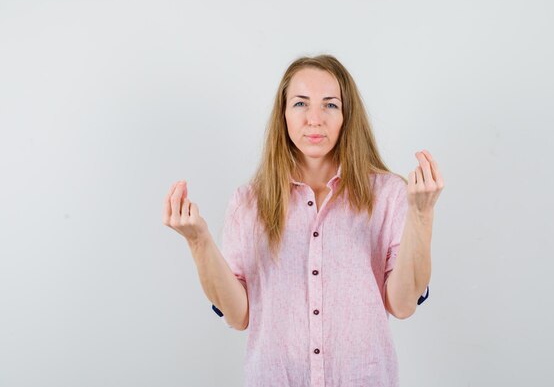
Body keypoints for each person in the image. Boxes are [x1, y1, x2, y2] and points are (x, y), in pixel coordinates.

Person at [162, 54, 444, 387]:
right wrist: (198, 240)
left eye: (330, 105)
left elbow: (403, 304)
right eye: (300, 104)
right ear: (282, 115)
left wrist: (422, 215)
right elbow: (238, 316)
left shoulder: (390, 195)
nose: (314, 119)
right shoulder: (247, 203)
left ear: (347, 116)